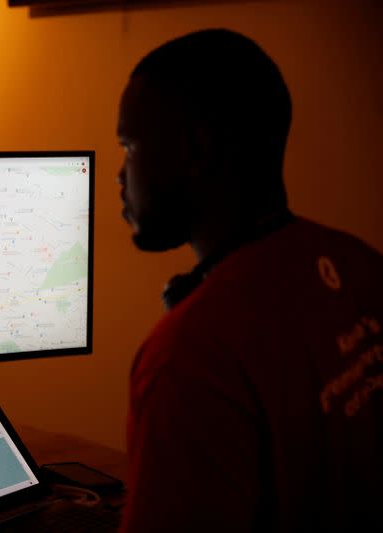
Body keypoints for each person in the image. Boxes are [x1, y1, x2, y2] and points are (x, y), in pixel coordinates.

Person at [116, 29, 382, 532]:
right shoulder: (361, 263)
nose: (120, 175)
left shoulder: (191, 355)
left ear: (195, 148)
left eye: (129, 147)